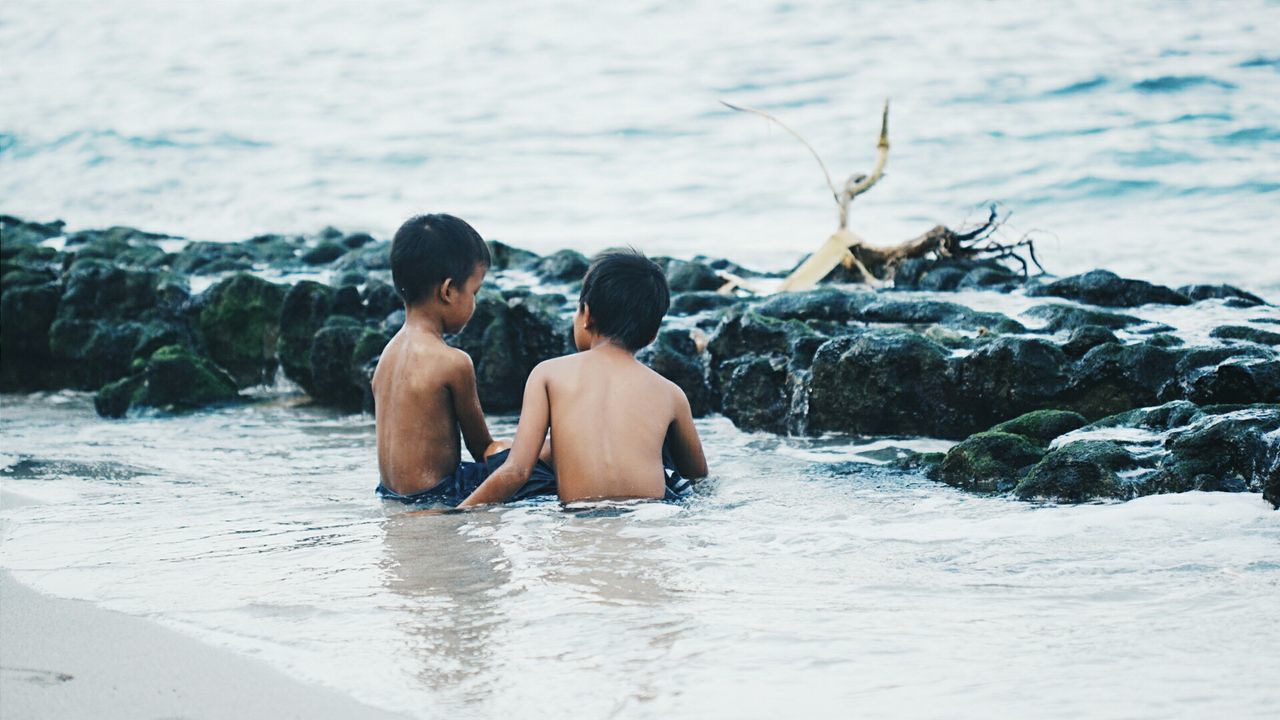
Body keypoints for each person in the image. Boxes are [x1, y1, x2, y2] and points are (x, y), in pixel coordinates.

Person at [459, 248, 708, 507]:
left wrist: (455, 514)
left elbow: (517, 472)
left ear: (586, 315)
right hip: (648, 516)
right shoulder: (671, 393)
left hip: (581, 517)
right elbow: (697, 472)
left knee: (503, 458)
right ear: (652, 335)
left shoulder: (547, 374)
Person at [372, 213, 553, 507]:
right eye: (474, 292)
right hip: (439, 493)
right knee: (543, 476)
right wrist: (541, 451)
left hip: (391, 492)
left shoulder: (388, 356)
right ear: (448, 291)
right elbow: (482, 447)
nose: (475, 303)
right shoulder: (453, 362)